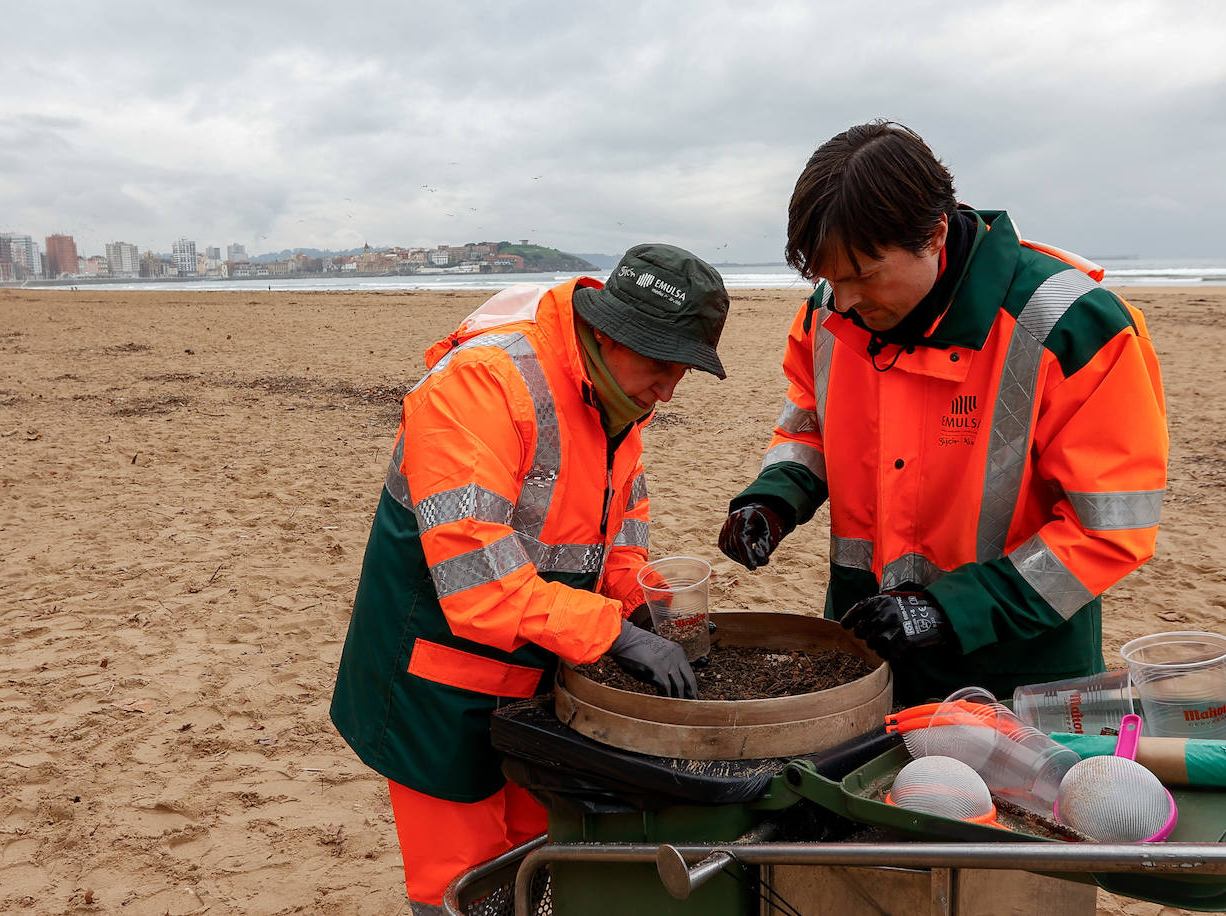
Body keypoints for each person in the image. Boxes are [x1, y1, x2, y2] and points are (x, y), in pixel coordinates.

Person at [331, 244, 730, 914]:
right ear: (608, 334)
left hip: (538, 669)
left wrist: (642, 604)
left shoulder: (617, 401)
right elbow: (477, 584)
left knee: (532, 862)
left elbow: (621, 526)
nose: (669, 388)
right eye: (660, 363)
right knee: (461, 888)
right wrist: (618, 636)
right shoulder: (483, 384)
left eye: (683, 369)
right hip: (436, 681)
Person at [718, 120, 1168, 707]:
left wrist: (946, 610)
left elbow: (1108, 529)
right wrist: (773, 500)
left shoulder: (1073, 328)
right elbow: (809, 428)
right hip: (865, 647)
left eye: (862, 274)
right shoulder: (827, 317)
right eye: (828, 277)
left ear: (933, 235)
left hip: (1017, 670)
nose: (844, 300)